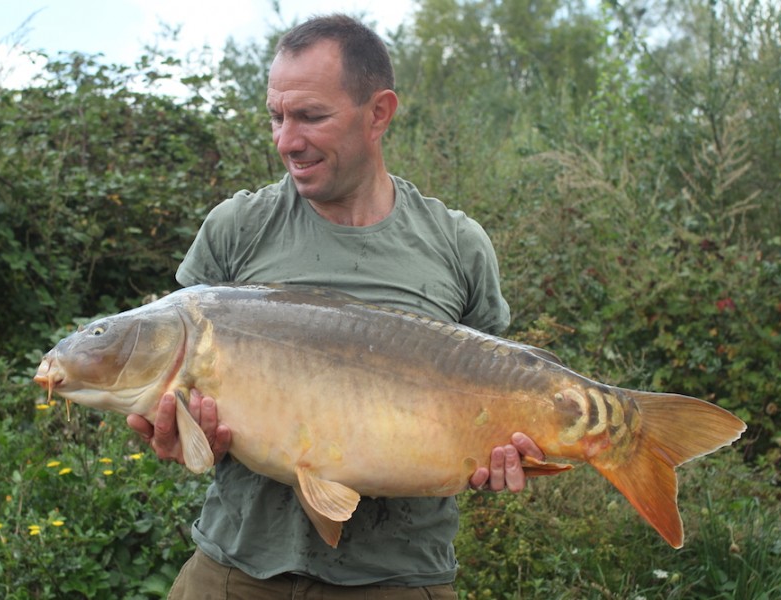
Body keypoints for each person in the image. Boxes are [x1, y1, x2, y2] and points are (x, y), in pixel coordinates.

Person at [127, 14, 544, 599]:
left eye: (311, 117)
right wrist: (173, 435)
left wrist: (509, 451)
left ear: (378, 113)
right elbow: (172, 400)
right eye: (276, 116)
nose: (286, 141)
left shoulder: (456, 245)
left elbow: (497, 396)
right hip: (237, 567)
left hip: (401, 577)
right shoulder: (237, 229)